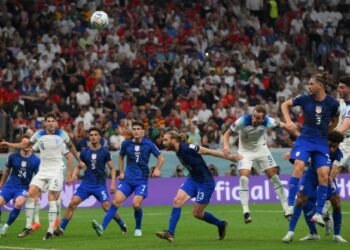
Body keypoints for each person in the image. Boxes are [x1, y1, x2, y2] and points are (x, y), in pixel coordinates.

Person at [0, 113, 78, 240]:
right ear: (45, 123)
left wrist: (70, 173)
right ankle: (29, 226)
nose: (51, 123)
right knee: (30, 193)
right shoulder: (39, 136)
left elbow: (69, 156)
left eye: (53, 121)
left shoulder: (62, 138)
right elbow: (28, 147)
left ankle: (50, 230)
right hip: (43, 171)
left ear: (56, 123)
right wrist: (11, 144)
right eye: (48, 121)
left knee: (52, 198)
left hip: (57, 171)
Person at [155, 131, 242, 243]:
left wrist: (229, 156)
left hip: (206, 183)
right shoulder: (177, 150)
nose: (163, 142)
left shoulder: (187, 148)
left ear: (174, 140)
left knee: (197, 213)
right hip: (193, 180)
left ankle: (221, 224)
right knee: (177, 201)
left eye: (166, 140)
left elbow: (208, 151)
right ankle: (170, 233)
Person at [281, 72, 339, 225]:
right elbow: (284, 105)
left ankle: (319, 213)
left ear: (320, 85)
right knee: (299, 165)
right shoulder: (304, 99)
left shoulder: (332, 103)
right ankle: (289, 206)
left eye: (311, 84)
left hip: (321, 142)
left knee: (324, 174)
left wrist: (330, 130)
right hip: (305, 139)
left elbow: (336, 118)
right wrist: (289, 122)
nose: (309, 87)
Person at [92, 120, 164, 237]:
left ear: (143, 131)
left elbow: (161, 158)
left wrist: (157, 169)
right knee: (115, 201)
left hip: (141, 181)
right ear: (132, 131)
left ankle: (138, 228)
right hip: (128, 180)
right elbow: (120, 157)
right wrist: (121, 172)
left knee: (136, 205)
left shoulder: (149, 144)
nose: (136, 131)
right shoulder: (126, 143)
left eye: (138, 129)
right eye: (134, 129)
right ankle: (102, 227)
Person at [54, 127, 127, 236]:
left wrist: (112, 184)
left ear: (99, 137)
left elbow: (112, 168)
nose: (93, 137)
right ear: (89, 137)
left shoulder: (105, 152)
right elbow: (79, 166)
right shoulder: (84, 152)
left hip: (99, 185)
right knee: (72, 203)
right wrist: (74, 175)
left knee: (106, 207)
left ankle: (122, 225)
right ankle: (61, 229)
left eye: (95, 135)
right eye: (91, 135)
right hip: (86, 185)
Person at [223, 105, 289, 223]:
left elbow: (284, 125)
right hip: (245, 151)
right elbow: (227, 133)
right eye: (253, 116)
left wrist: (293, 130)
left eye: (257, 118)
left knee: (274, 178)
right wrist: (226, 145)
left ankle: (286, 209)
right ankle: (246, 212)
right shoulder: (242, 121)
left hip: (261, 150)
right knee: (244, 178)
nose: (254, 119)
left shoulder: (269, 121)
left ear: (263, 119)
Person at [282, 130, 347, 243]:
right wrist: (292, 150)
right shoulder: (318, 146)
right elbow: (304, 152)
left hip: (327, 177)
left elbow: (335, 169)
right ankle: (292, 232)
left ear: (338, 145)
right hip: (312, 175)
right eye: (330, 145)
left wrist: (330, 179)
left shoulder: (338, 154)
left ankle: (336, 235)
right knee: (301, 201)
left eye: (334, 146)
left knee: (336, 202)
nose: (332, 149)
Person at [0, 136, 40, 236]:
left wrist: (36, 192)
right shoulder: (13, 156)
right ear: (20, 145)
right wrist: (2, 183)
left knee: (18, 203)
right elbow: (7, 170)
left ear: (30, 144)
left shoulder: (36, 160)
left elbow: (38, 177)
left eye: (27, 143)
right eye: (23, 142)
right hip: (10, 185)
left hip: (23, 187)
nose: (25, 145)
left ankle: (6, 226)